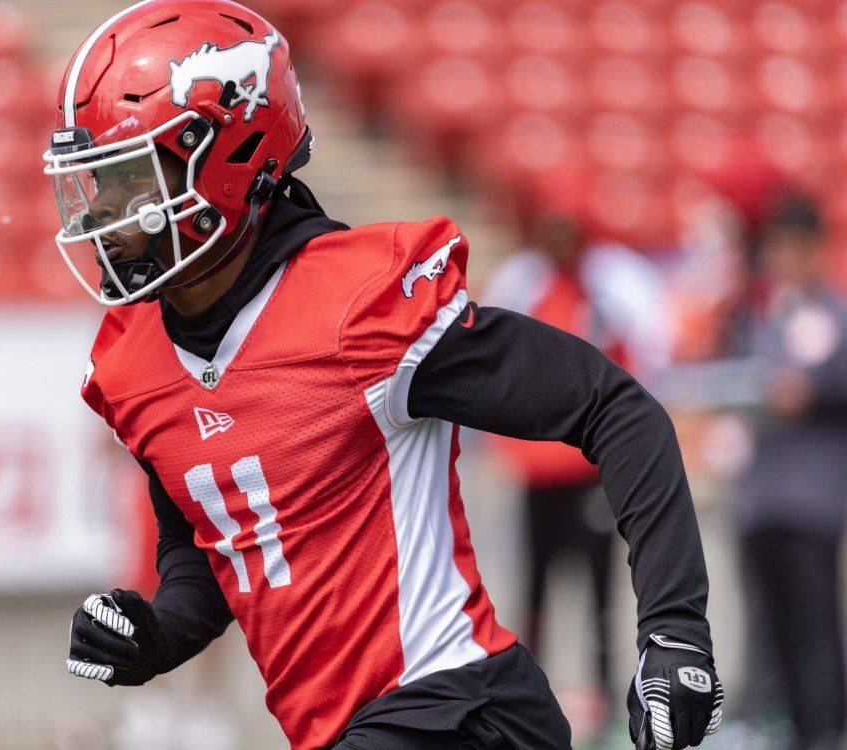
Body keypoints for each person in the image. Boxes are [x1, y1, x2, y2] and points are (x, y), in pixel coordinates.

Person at [44, 2, 724, 748]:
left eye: (132, 179)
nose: (106, 213)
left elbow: (614, 407)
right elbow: (209, 551)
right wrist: (154, 637)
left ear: (230, 156)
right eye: (98, 185)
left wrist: (675, 634)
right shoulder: (133, 360)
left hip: (463, 708)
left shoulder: (358, 304)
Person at [481, 171, 673, 733]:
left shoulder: (612, 289)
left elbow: (641, 366)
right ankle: (529, 699)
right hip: (539, 472)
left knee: (600, 593)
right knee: (535, 588)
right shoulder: (524, 283)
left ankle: (610, 700)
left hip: (590, 473)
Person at [731, 193, 847, 750]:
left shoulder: (834, 315)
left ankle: (823, 728)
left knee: (814, 623)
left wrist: (810, 391)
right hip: (760, 494)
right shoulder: (758, 317)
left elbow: (826, 383)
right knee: (766, 624)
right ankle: (773, 724)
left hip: (813, 496)